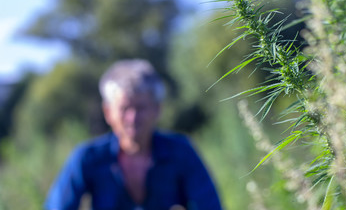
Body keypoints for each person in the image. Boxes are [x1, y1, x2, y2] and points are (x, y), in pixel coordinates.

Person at [45, 59, 222, 210]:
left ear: (157, 109)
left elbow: (209, 205)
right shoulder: (87, 157)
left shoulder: (182, 152)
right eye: (124, 108)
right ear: (108, 112)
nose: (133, 117)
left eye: (141, 107)